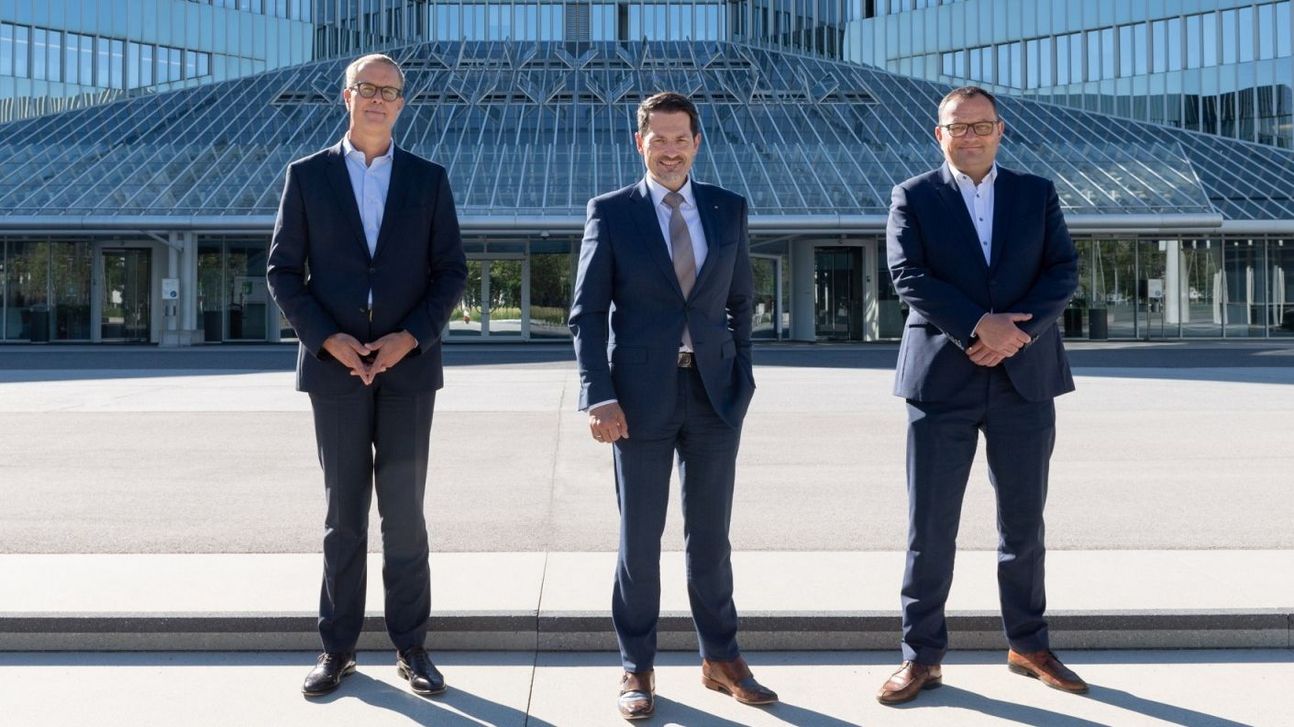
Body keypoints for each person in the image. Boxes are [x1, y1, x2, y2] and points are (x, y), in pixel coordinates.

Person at [568, 92, 776, 720]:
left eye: (680, 137)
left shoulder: (727, 207)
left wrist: (742, 374)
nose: (669, 148)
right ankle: (636, 665)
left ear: (696, 141)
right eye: (658, 138)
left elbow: (742, 302)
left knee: (711, 538)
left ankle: (721, 658)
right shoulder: (611, 212)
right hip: (637, 400)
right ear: (640, 143)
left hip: (714, 396)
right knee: (640, 539)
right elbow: (586, 314)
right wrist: (598, 394)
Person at [266, 53, 467, 698]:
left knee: (404, 515)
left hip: (409, 372)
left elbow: (451, 273)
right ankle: (338, 649)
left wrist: (411, 337)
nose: (379, 99)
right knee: (343, 515)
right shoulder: (307, 176)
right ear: (346, 96)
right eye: (368, 89)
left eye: (390, 91)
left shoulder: (429, 180)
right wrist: (329, 338)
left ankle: (412, 648)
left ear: (402, 103)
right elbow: (281, 273)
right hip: (335, 372)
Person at [878, 86, 1085, 705]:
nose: (969, 136)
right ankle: (921, 656)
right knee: (930, 526)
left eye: (980, 126)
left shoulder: (1036, 193)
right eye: (957, 127)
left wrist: (1011, 335)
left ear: (1000, 129)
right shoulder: (912, 196)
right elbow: (907, 275)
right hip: (942, 379)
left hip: (1024, 378)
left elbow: (1063, 271)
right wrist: (979, 326)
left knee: (1023, 523)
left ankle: (1028, 643)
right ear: (938, 134)